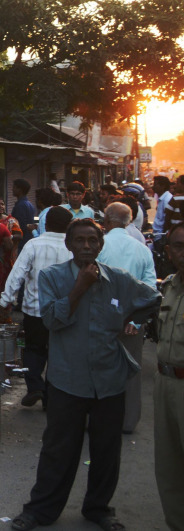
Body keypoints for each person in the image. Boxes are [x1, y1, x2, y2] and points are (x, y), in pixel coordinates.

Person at [8, 219, 161, 531]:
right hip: (67, 380)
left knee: (106, 451)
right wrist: (79, 288)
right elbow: (52, 320)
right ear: (69, 244)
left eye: (93, 240)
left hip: (109, 380)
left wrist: (132, 318)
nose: (87, 246)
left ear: (101, 245)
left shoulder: (118, 279)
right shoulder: (52, 277)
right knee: (58, 449)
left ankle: (99, 509)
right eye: (80, 240)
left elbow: (153, 298)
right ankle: (40, 510)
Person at [0, 206, 73, 408]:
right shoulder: (73, 247)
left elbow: (17, 274)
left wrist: (6, 300)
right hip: (64, 312)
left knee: (33, 349)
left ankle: (35, 387)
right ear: (69, 226)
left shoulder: (33, 245)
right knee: (58, 354)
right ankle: (51, 396)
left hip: (35, 310)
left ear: (45, 225)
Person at [96, 202, 157, 434]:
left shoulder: (100, 245)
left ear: (108, 221)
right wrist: (138, 321)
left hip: (101, 317)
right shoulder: (142, 249)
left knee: (99, 368)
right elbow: (150, 288)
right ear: (128, 221)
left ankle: (99, 419)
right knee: (131, 370)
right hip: (132, 319)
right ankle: (128, 421)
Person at [154, 222, 184, 529]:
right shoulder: (170, 285)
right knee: (169, 467)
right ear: (169, 251)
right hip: (165, 383)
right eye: (178, 246)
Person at [12, 179, 37, 244]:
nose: (12, 189)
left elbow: (20, 225)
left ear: (20, 190)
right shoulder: (30, 204)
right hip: (28, 239)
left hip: (21, 241)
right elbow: (36, 219)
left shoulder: (20, 206)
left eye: (14, 187)